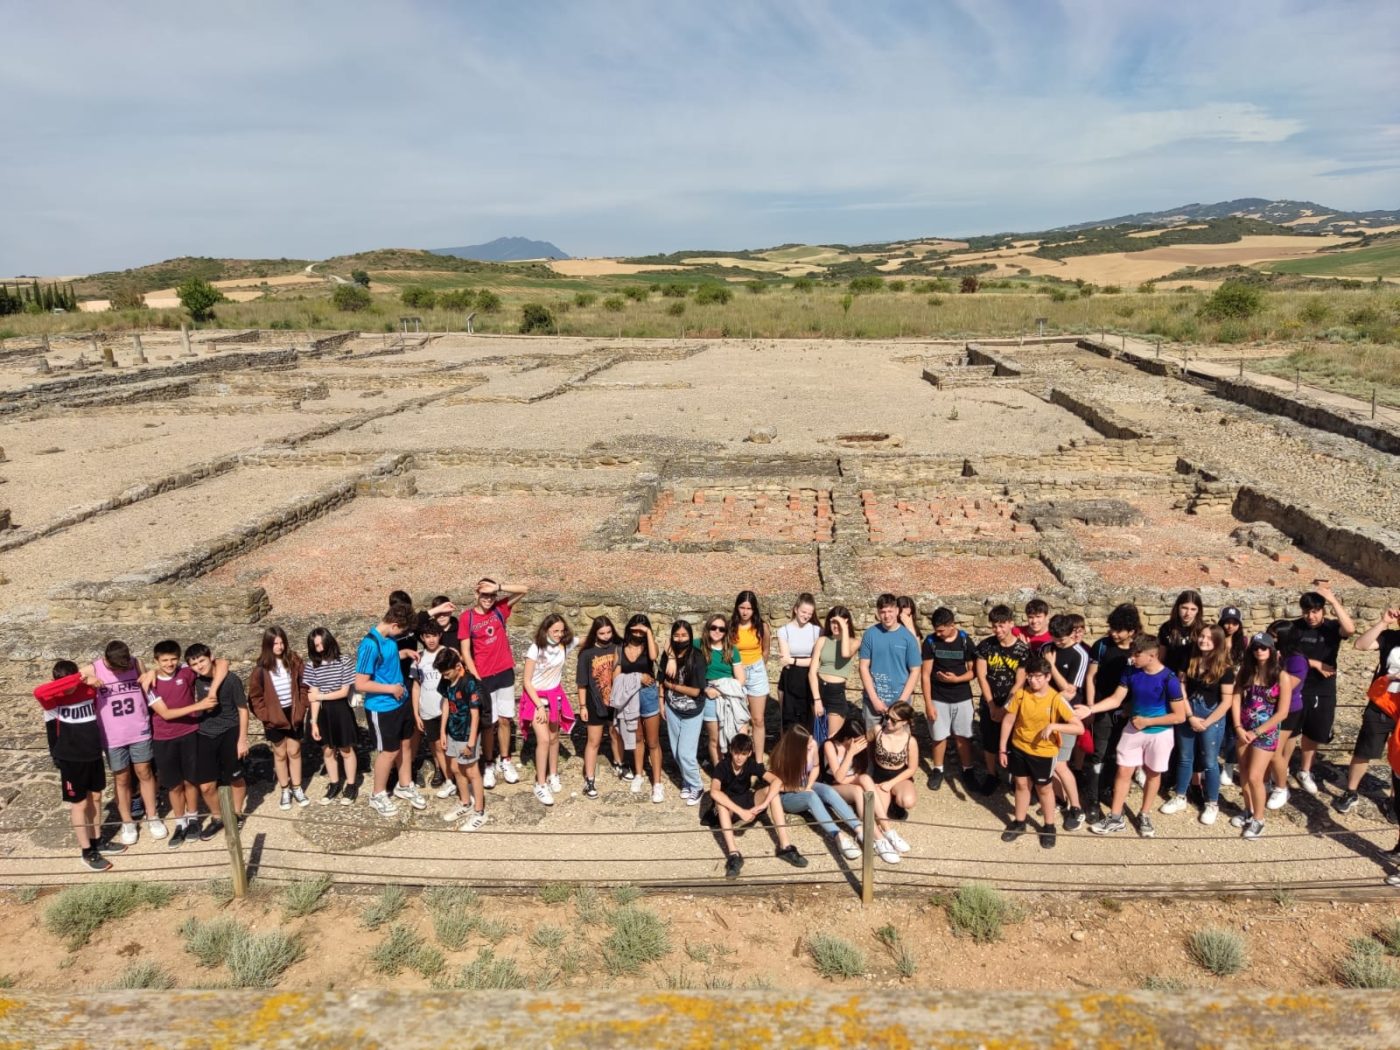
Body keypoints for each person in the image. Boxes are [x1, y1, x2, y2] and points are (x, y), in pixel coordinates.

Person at [1081, 636, 1186, 838]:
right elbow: (1116, 699)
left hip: (1159, 733)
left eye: (1137, 655)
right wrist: (1090, 709)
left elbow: (1179, 716)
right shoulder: (1130, 672)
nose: (1132, 658)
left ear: (1152, 655)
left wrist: (1148, 722)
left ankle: (1144, 814)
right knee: (1123, 771)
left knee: (1153, 773)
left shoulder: (1170, 680)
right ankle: (1115, 817)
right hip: (1134, 729)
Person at [34, 661, 124, 871]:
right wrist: (77, 678)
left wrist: (85, 681)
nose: (69, 687)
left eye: (73, 681)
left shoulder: (88, 690)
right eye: (64, 683)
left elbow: (101, 680)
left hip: (92, 752)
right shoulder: (52, 697)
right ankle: (86, 851)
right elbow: (37, 691)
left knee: (97, 797)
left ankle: (97, 840)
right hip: (70, 758)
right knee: (80, 804)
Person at [80, 641, 163, 845]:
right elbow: (62, 682)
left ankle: (152, 816)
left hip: (139, 730)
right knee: (122, 778)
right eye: (116, 667)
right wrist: (86, 679)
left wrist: (151, 672)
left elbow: (155, 674)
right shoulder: (94, 668)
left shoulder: (135, 663)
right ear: (106, 659)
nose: (120, 671)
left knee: (145, 772)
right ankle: (127, 821)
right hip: (113, 736)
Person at [998, 656, 1083, 848]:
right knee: (1021, 784)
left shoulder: (1056, 699)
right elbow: (1008, 721)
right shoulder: (1020, 694)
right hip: (1019, 747)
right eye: (1030, 676)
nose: (1033, 681)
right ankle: (1019, 822)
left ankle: (1049, 826)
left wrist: (1054, 726)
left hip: (1044, 752)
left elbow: (1078, 727)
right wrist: (1002, 749)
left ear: (1047, 677)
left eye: (1037, 677)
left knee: (1044, 788)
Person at [145, 638, 219, 847]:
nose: (169, 664)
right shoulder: (150, 684)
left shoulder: (186, 671)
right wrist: (199, 706)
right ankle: (180, 823)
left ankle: (193, 819)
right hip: (164, 739)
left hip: (189, 733)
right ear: (156, 661)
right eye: (164, 660)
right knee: (174, 784)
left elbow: (221, 663)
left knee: (190, 780)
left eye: (173, 659)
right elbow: (166, 714)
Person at [1160, 626, 1235, 825]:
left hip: (1212, 718)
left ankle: (1212, 803)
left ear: (1218, 642)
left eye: (1209, 638)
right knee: (1185, 757)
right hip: (1189, 713)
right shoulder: (1189, 660)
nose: (1204, 640)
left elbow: (1226, 701)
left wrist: (1207, 722)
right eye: (1202, 636)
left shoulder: (1226, 668)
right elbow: (1181, 690)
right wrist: (1190, 716)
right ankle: (1180, 796)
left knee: (1210, 762)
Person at [706, 732, 806, 878]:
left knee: (772, 792)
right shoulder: (723, 766)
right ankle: (734, 855)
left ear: (749, 753)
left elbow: (776, 781)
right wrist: (741, 812)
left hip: (746, 799)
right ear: (731, 751)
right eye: (736, 753)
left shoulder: (750, 763)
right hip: (729, 807)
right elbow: (714, 792)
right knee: (721, 803)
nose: (739, 757)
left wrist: (764, 804)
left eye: (743, 754)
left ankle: (785, 847)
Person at [461, 577, 529, 789]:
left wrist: (498, 587)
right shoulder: (467, 617)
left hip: (504, 672)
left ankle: (506, 760)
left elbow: (524, 589)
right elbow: (465, 651)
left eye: (491, 595)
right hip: (484, 676)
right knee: (488, 724)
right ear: (476, 594)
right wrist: (476, 677)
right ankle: (489, 763)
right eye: (484, 595)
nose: (488, 599)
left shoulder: (500, 609)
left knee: (505, 720)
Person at [355, 603, 421, 818]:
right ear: (394, 625)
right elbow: (361, 683)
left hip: (400, 702)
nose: (402, 634)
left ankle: (404, 784)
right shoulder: (369, 645)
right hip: (382, 707)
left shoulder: (389, 639)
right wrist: (391, 688)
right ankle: (377, 794)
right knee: (389, 751)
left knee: (405, 744)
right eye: (402, 630)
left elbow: (387, 659)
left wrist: (404, 653)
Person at [1336, 608, 1400, 814]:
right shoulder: (1389, 637)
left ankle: (1394, 801)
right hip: (1382, 703)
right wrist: (1383, 622)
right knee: (1364, 749)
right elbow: (1360, 645)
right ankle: (1351, 791)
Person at [1293, 583, 1356, 794]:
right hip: (1296, 686)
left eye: (1315, 611)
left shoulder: (1331, 628)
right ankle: (1279, 770)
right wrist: (1314, 663)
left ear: (1323, 610)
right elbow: (1282, 654)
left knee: (1314, 732)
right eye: (1306, 612)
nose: (1310, 616)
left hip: (1323, 689)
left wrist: (1333, 600)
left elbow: (1350, 629)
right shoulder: (1294, 628)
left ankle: (1304, 770)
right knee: (1290, 731)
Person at [769, 725, 863, 861]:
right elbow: (777, 786)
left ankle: (858, 828)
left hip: (805, 783)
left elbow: (815, 767)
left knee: (828, 790)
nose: (810, 746)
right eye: (806, 745)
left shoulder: (812, 744)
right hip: (788, 793)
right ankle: (838, 836)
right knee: (811, 797)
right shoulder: (780, 757)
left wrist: (808, 785)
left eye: (810, 741)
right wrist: (799, 789)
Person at [1083, 603, 1142, 819]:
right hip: (1103, 707)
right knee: (1098, 753)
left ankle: (1107, 789)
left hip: (1128, 711)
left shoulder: (1139, 649)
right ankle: (1092, 798)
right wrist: (1091, 707)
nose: (1113, 633)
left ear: (1132, 631)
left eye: (1119, 630)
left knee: (1117, 753)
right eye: (1112, 628)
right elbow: (1091, 677)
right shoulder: (1101, 645)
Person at [1231, 633, 1290, 840]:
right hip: (1244, 728)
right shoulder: (1247, 671)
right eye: (1256, 647)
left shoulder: (1281, 676)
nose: (1259, 651)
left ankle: (1259, 818)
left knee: (1255, 776)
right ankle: (1248, 810)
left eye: (1263, 647)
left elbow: (1282, 713)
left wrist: (1257, 731)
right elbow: (1236, 697)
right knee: (1244, 773)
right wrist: (1238, 726)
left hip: (1266, 732)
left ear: (1271, 650)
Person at [188, 642, 250, 837]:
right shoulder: (196, 679)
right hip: (205, 733)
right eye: (194, 664)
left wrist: (242, 739)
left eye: (202, 661)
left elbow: (243, 710)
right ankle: (218, 817)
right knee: (206, 786)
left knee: (235, 778)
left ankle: (236, 814)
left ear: (211, 657)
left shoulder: (231, 680)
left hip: (230, 731)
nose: (199, 666)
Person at [247, 626, 311, 812]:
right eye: (275, 643)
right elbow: (255, 697)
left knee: (295, 751)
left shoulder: (294, 661)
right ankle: (285, 789)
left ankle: (297, 787)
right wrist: (266, 716)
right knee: (280, 753)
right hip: (273, 715)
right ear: (268, 645)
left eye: (282, 642)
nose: (279, 646)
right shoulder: (261, 669)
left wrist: (302, 706)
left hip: (293, 712)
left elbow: (304, 685)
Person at [920, 607, 981, 793]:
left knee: (963, 736)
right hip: (938, 697)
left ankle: (967, 769)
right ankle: (938, 770)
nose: (938, 634)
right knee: (938, 736)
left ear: (951, 625)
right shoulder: (930, 642)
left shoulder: (964, 640)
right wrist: (928, 704)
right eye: (936, 630)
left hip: (962, 697)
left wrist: (956, 679)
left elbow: (973, 672)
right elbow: (925, 674)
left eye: (941, 630)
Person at [521, 613, 578, 807]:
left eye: (562, 631)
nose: (559, 634)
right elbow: (526, 681)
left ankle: (553, 774)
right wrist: (539, 705)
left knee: (554, 738)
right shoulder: (535, 648)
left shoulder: (564, 645)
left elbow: (585, 639)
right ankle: (540, 783)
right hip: (536, 700)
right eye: (555, 631)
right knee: (544, 739)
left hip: (555, 698)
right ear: (546, 630)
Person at [975, 605, 1030, 793]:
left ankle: (1015, 777)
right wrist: (992, 706)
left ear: (1011, 623)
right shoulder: (986, 646)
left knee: (1014, 741)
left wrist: (1005, 707)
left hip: (1012, 703)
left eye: (1001, 625)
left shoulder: (1022, 650)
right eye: (994, 626)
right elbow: (981, 676)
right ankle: (992, 774)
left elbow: (1020, 681)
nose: (997, 630)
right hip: (989, 701)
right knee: (989, 741)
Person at [857, 701, 920, 863]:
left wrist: (890, 784)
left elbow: (912, 769)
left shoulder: (910, 741)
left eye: (894, 720)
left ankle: (895, 802)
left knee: (908, 801)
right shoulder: (878, 730)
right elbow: (862, 741)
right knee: (877, 816)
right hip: (879, 775)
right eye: (887, 717)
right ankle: (886, 837)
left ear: (905, 722)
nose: (888, 722)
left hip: (899, 776)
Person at [1043, 614, 1089, 829]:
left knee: (1060, 764)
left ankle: (1076, 807)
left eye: (1061, 640)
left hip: (1067, 716)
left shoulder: (1080, 654)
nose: (1058, 643)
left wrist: (1052, 666)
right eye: (1055, 639)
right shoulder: (1046, 647)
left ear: (1072, 633)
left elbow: (1070, 691)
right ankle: (1060, 799)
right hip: (1046, 713)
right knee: (1049, 762)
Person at [303, 627, 358, 805]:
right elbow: (313, 697)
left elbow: (343, 692)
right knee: (327, 750)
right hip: (322, 711)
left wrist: (320, 696)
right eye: (316, 645)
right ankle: (334, 784)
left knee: (345, 749)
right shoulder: (312, 665)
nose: (320, 648)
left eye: (322, 643)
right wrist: (313, 722)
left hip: (340, 709)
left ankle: (351, 785)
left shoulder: (344, 661)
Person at [435, 647, 488, 831]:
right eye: (442, 674)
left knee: (472, 772)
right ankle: (465, 802)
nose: (445, 677)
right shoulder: (446, 680)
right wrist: (443, 731)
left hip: (466, 734)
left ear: (458, 666)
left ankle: (479, 811)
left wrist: (471, 743)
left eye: (447, 673)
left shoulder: (469, 683)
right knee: (455, 768)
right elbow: (446, 705)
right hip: (452, 732)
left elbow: (475, 715)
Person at [858, 594, 921, 737]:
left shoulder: (908, 637)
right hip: (873, 702)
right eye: (883, 612)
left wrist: (901, 702)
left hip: (900, 700)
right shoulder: (870, 634)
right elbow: (863, 667)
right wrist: (875, 700)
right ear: (878, 613)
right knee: (872, 741)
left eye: (890, 611)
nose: (887, 616)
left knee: (900, 742)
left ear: (897, 611)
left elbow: (915, 670)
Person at [659, 619, 708, 805]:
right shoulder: (669, 654)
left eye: (684, 635)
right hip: (672, 708)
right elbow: (661, 680)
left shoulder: (697, 657)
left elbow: (696, 691)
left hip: (692, 711)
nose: (680, 639)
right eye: (676, 635)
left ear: (690, 636)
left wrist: (672, 686)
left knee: (686, 753)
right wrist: (661, 702)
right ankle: (687, 781)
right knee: (676, 751)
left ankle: (697, 786)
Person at [575, 616, 623, 798]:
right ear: (595, 633)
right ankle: (589, 779)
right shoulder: (586, 654)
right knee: (593, 741)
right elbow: (581, 683)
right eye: (602, 633)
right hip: (594, 702)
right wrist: (582, 706)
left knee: (616, 733)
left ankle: (619, 763)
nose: (606, 636)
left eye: (609, 632)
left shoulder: (618, 647)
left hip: (615, 700)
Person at [1264, 620, 1308, 812]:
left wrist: (1273, 664)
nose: (1269, 640)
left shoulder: (1297, 660)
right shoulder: (1272, 655)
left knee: (1274, 751)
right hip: (1268, 708)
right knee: (1265, 748)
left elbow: (1285, 687)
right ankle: (1266, 781)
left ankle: (1282, 788)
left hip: (1288, 710)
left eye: (1274, 637)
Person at [411, 620, 454, 798]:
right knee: (436, 745)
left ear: (440, 635)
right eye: (427, 636)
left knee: (450, 745)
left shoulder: (448, 653)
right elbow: (416, 687)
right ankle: (448, 779)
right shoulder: (418, 658)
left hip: (448, 708)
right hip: (427, 710)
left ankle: (456, 776)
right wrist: (416, 713)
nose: (431, 640)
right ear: (422, 637)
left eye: (434, 636)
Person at [729, 591, 772, 762]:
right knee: (740, 719)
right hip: (737, 671)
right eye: (742, 607)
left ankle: (759, 761)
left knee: (758, 719)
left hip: (756, 671)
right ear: (737, 608)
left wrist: (760, 668)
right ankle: (742, 757)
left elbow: (766, 650)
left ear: (754, 609)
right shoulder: (730, 627)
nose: (745, 612)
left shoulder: (762, 627)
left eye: (749, 608)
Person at [698, 613, 743, 767]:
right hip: (709, 695)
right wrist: (671, 660)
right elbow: (672, 643)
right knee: (714, 739)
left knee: (739, 736)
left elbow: (741, 679)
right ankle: (720, 771)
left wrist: (722, 690)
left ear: (726, 632)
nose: (717, 631)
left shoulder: (732, 650)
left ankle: (737, 771)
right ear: (708, 628)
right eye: (714, 627)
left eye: (721, 629)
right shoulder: (699, 645)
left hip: (729, 694)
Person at [809, 606, 858, 741]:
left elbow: (845, 653)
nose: (835, 626)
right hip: (819, 689)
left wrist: (844, 628)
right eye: (833, 622)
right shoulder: (822, 640)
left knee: (832, 739)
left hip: (836, 693)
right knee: (818, 736)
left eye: (839, 622)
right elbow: (812, 672)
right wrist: (817, 699)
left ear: (846, 622)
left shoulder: (854, 642)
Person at [776, 594, 821, 735]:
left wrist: (793, 660)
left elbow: (816, 660)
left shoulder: (817, 631)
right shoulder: (783, 631)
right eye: (803, 612)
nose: (806, 616)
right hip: (790, 678)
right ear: (796, 609)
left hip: (810, 678)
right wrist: (801, 661)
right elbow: (785, 661)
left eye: (810, 613)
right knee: (787, 720)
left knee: (809, 720)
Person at [1158, 590, 1205, 679]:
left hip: (1193, 676)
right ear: (1178, 607)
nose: (1188, 613)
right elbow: (1162, 656)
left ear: (1198, 610)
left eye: (1193, 609)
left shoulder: (1204, 630)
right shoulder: (1167, 627)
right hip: (1170, 675)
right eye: (1184, 608)